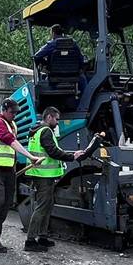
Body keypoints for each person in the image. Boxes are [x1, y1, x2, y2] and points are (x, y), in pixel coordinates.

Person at [0, 98, 44, 253]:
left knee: (6, 203)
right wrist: (31, 157)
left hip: (8, 169)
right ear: (4, 109)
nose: (14, 115)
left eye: (16, 112)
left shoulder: (12, 124)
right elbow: (11, 142)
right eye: (12, 112)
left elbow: (13, 146)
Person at [24, 107, 85, 252]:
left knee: (47, 205)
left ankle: (42, 236)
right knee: (42, 207)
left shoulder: (37, 130)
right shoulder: (46, 131)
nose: (57, 122)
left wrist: (70, 153)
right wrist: (72, 157)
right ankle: (30, 241)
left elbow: (50, 150)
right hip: (43, 176)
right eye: (56, 119)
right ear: (49, 117)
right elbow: (53, 152)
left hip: (40, 174)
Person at [33, 24, 87, 93]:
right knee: (83, 79)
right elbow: (81, 59)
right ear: (62, 33)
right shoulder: (73, 44)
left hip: (54, 76)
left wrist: (46, 64)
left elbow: (37, 56)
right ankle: (85, 100)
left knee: (43, 81)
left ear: (53, 33)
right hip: (74, 76)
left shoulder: (51, 44)